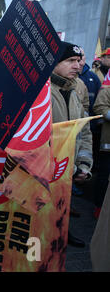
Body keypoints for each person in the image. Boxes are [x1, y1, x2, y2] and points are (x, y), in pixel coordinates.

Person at [50, 41, 94, 248]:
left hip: (69, 172)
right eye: (70, 61)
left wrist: (84, 164)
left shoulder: (75, 94)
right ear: (54, 62)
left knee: (63, 206)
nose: (78, 66)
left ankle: (63, 233)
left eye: (78, 61)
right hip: (46, 174)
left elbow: (84, 132)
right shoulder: (41, 94)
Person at [92, 82, 110, 220]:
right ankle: (99, 207)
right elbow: (99, 107)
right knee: (104, 176)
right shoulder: (107, 91)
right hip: (108, 144)